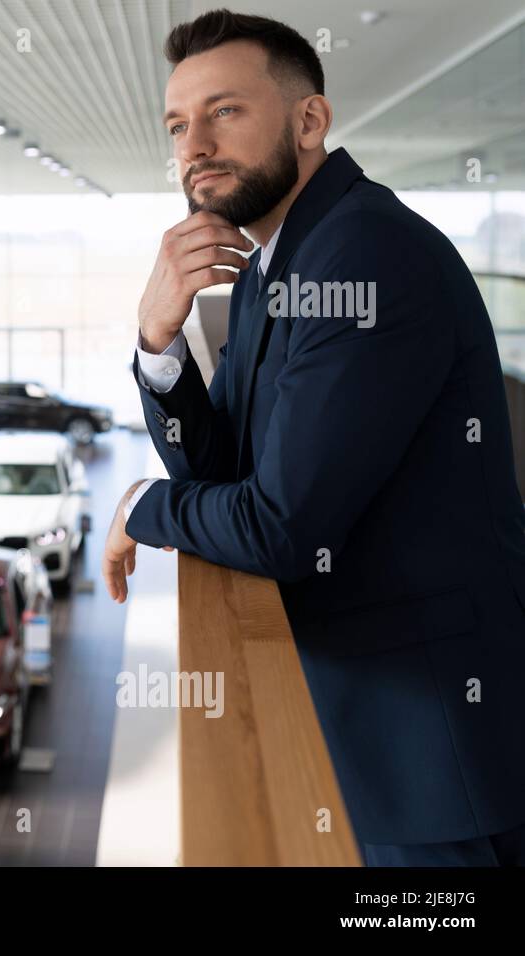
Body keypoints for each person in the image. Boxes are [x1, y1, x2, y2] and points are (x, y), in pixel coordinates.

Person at [101, 8, 525, 866]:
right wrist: (157, 340)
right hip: (372, 729)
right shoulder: (272, 263)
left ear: (309, 121)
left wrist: (145, 506)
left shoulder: (361, 253)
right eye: (179, 125)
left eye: (225, 111)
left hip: (437, 756)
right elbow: (224, 465)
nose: (195, 146)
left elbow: (280, 525)